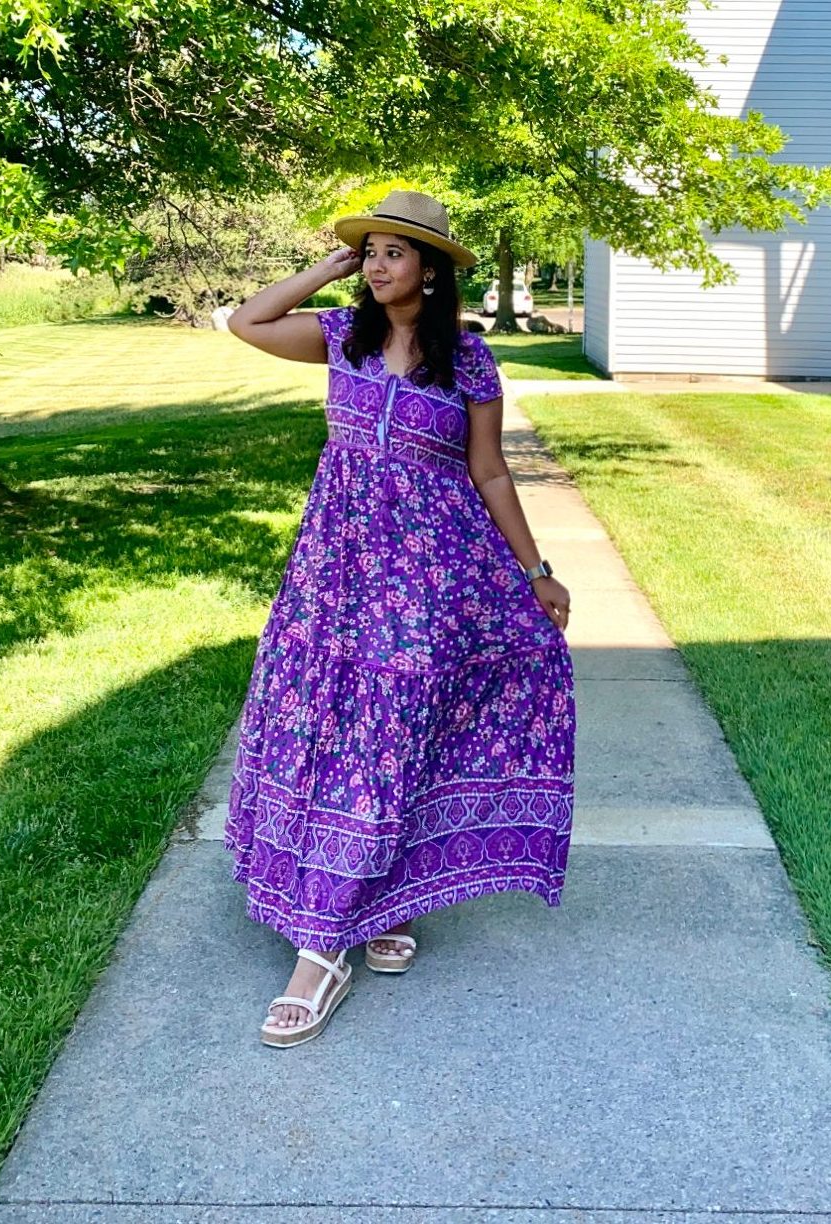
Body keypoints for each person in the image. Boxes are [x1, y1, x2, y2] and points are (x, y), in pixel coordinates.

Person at [223, 189, 576, 1048]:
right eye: (370, 251)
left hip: (430, 575)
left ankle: (352, 921)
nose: (378, 265)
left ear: (431, 269)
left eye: (394, 252)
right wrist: (329, 267)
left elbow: (490, 473)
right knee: (333, 724)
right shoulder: (340, 337)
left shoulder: (469, 360)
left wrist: (535, 572)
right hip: (335, 574)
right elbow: (246, 322)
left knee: (396, 729)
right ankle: (341, 925)